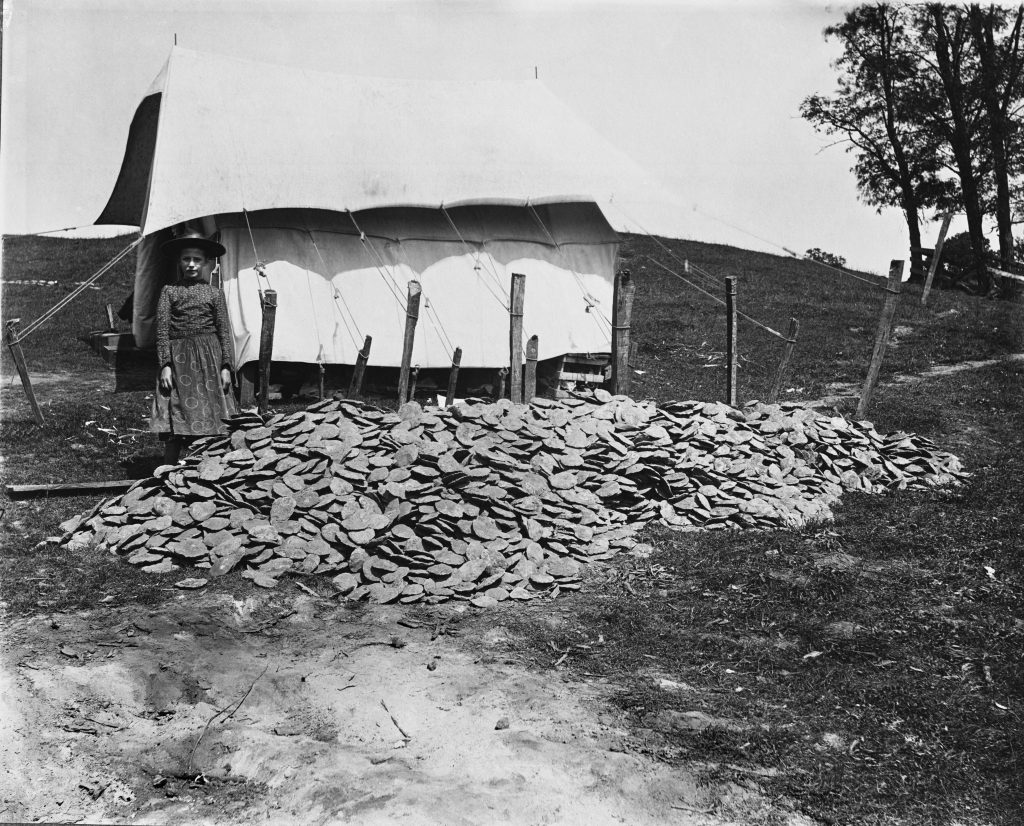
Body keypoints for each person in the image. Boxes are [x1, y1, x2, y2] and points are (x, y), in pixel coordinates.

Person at [150, 231, 237, 463]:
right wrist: (165, 364)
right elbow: (162, 330)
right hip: (179, 360)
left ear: (206, 262)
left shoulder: (214, 294)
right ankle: (168, 470)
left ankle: (214, 466)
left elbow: (224, 331)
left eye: (197, 260)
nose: (191, 264)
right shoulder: (169, 291)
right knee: (176, 408)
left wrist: (226, 366)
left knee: (214, 410)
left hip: (210, 358)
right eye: (186, 259)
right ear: (179, 261)